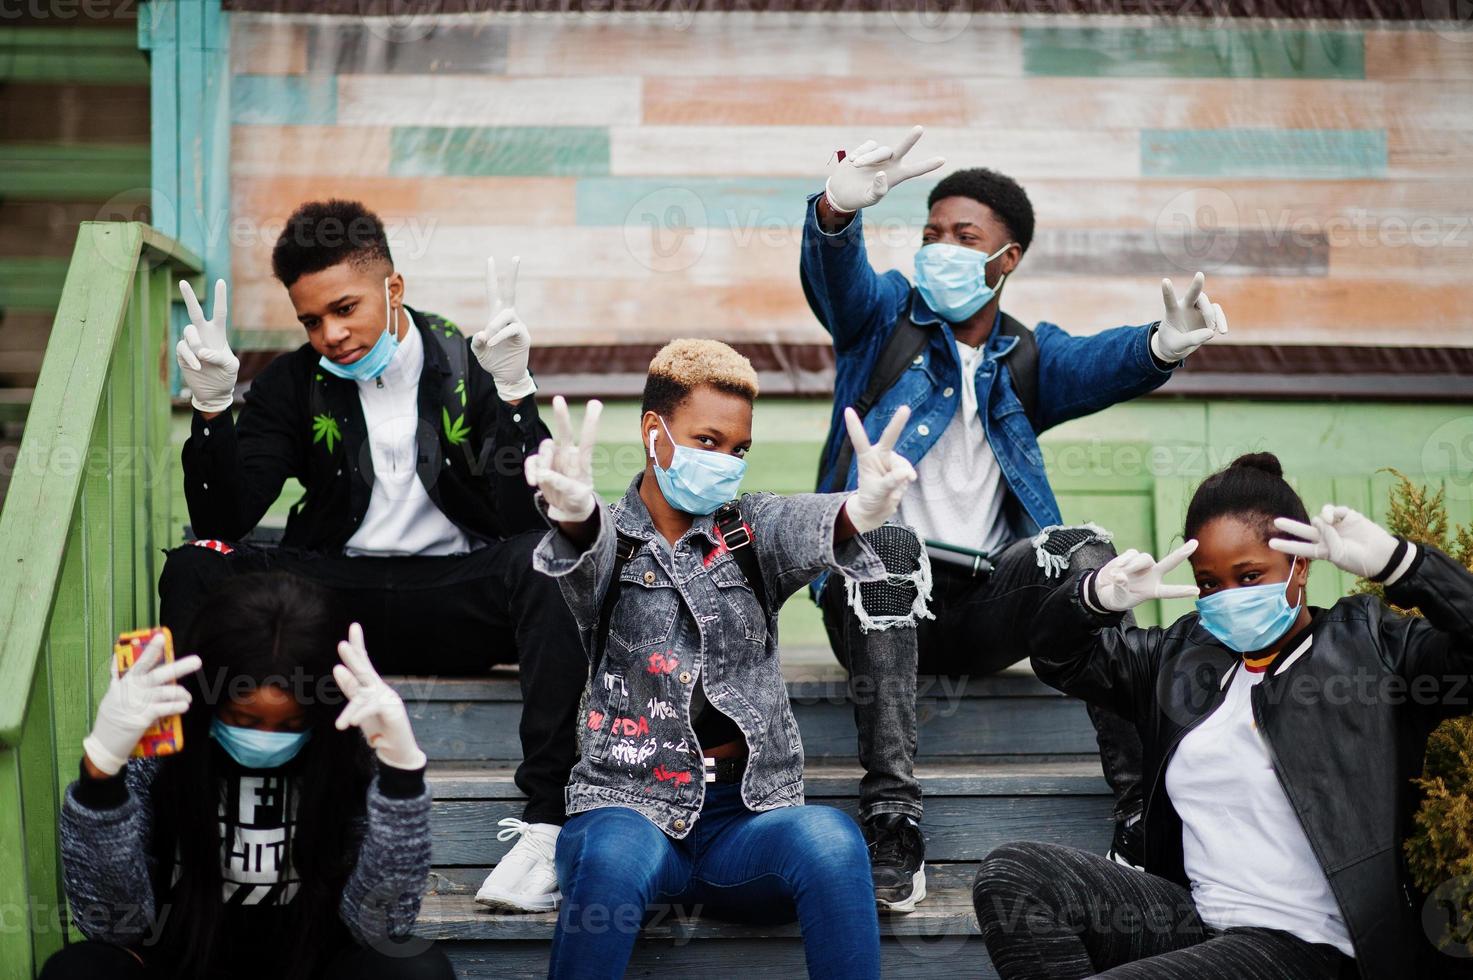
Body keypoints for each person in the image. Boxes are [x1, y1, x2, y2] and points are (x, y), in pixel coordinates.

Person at [800, 124, 1229, 908]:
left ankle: (1140, 813)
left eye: (964, 236)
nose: (940, 249)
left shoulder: (1026, 356)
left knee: (1085, 549)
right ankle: (893, 817)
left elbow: (1102, 361)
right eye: (931, 233)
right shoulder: (883, 322)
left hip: (979, 611)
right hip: (875, 598)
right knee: (888, 545)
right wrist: (835, 212)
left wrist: (1164, 342)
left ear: (1008, 258)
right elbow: (838, 282)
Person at [156, 199, 583, 912]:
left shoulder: (466, 362)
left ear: (394, 288)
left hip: (454, 596)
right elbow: (225, 520)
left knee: (551, 554)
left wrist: (513, 396)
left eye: (344, 309)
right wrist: (211, 413)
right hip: (331, 605)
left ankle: (546, 824)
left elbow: (518, 520)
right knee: (198, 560)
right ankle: (192, 795)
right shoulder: (293, 384)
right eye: (311, 320)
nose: (331, 333)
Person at [973, 452, 1472, 980]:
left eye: (1250, 575)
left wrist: (1405, 565)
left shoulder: (1368, 648)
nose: (1229, 597)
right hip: (1199, 922)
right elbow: (1060, 660)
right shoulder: (1184, 656)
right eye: (1210, 583)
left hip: (1310, 946)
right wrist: (1093, 599)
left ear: (1299, 565)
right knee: (1013, 875)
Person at [524, 339, 918, 979]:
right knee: (611, 862)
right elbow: (583, 557)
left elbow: (808, 524)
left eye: (738, 450)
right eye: (706, 441)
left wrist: (863, 509)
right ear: (655, 432)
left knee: (830, 840)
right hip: (630, 810)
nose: (724, 462)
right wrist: (573, 515)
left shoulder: (749, 529)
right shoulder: (613, 541)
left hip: (745, 820)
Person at [39, 572, 452, 979]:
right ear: (208, 701)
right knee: (79, 970)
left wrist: (402, 776)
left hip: (315, 962)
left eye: (291, 725)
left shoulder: (349, 751)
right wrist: (102, 774)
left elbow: (380, 928)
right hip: (178, 962)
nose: (264, 738)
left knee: (416, 968)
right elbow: (112, 926)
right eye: (242, 719)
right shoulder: (161, 748)